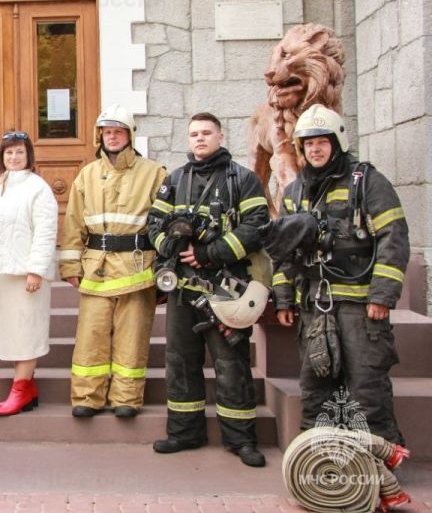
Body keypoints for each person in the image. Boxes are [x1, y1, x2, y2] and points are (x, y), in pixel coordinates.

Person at [264, 105, 409, 447]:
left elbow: (394, 237)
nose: (314, 149)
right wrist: (283, 299)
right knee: (315, 388)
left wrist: (381, 296)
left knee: (367, 389)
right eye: (308, 144)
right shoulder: (296, 192)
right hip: (316, 306)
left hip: (360, 307)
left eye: (321, 142)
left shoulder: (367, 182)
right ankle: (317, 465)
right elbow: (286, 251)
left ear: (337, 142)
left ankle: (380, 468)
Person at [147, 112, 269, 468]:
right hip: (183, 291)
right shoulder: (175, 180)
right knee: (180, 362)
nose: (199, 139)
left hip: (226, 290)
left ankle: (241, 440)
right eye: (194, 134)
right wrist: (170, 247)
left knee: (231, 363)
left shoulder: (242, 180)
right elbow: (153, 224)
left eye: (206, 133)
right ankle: (185, 433)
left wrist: (209, 253)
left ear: (220, 136)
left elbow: (256, 227)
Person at [59, 107, 165, 420]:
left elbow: (165, 225)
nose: (113, 136)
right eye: (107, 131)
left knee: (132, 338)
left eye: (118, 131)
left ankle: (126, 398)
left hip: (137, 269)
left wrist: (162, 271)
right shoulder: (87, 175)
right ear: (100, 136)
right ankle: (87, 397)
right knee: (91, 336)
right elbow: (73, 223)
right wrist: (70, 266)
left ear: (130, 135)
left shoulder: (154, 173)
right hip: (96, 269)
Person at [0, 131, 58, 416]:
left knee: (26, 331)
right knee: (11, 332)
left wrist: (36, 270)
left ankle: (20, 391)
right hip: (0, 274)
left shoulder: (38, 188)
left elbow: (46, 232)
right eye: (8, 152)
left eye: (19, 152)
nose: (13, 157)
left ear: (28, 156)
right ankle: (29, 386)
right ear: (2, 156)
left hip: (25, 276)